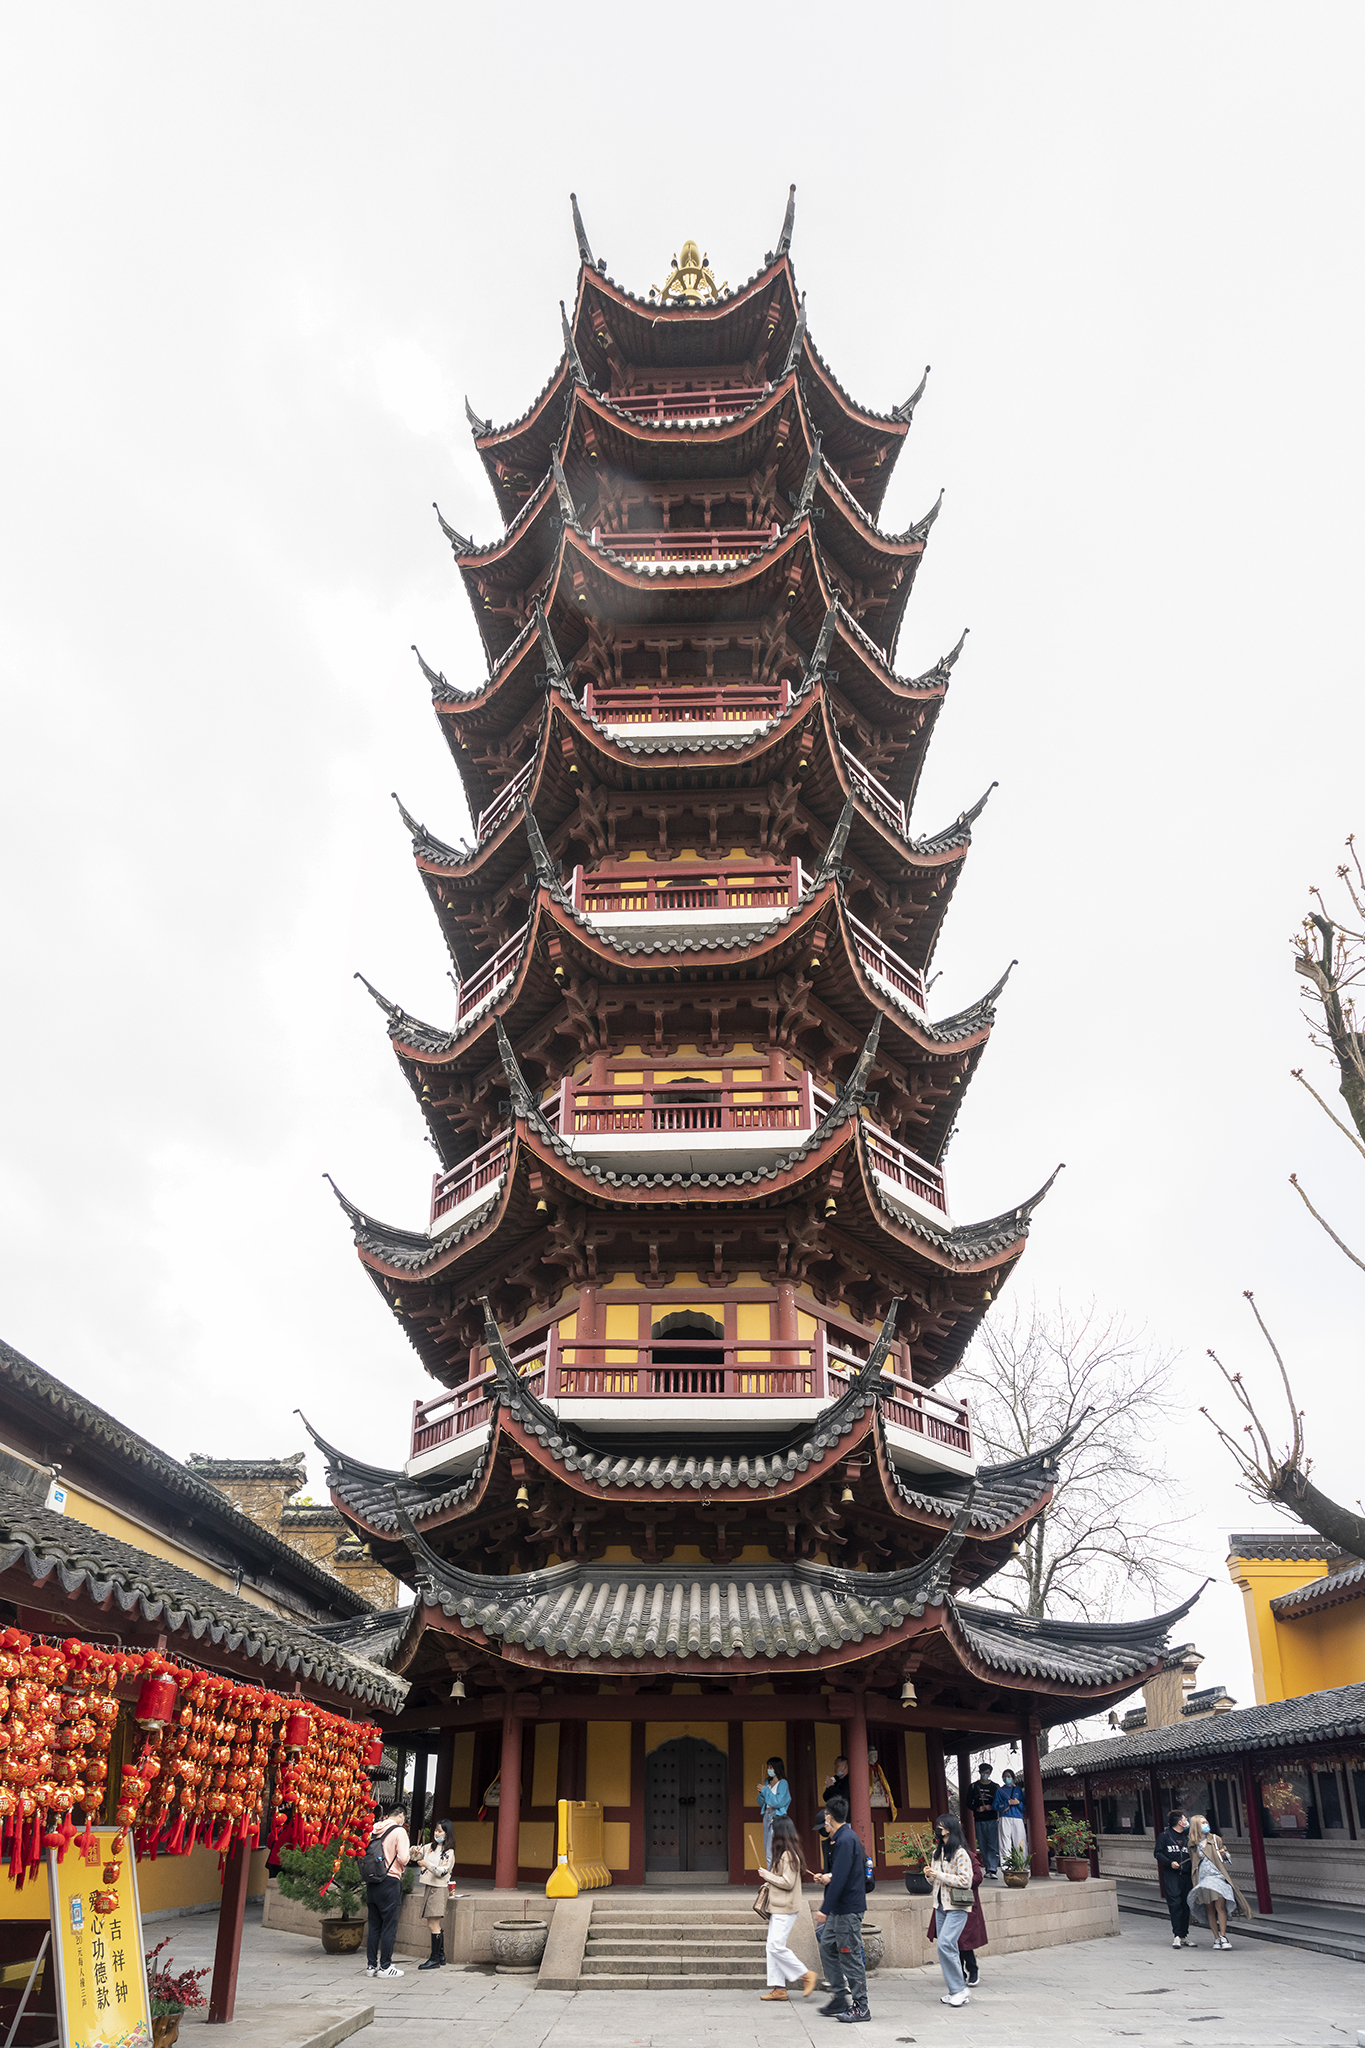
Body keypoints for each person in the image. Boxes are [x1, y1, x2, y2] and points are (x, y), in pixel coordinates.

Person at [807, 1793, 869, 2024]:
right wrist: (827, 1878)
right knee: (826, 1945)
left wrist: (825, 1908)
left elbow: (841, 1879)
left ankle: (861, 2006)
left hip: (847, 1909)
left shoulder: (845, 1840)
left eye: (825, 1816)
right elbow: (841, 1875)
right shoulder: (842, 1838)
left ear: (829, 1817)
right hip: (839, 1909)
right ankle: (840, 1995)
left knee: (849, 1954)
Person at [758, 1813, 817, 2002]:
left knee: (775, 1946)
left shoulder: (788, 1855)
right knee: (772, 1947)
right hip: (780, 1906)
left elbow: (788, 1882)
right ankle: (779, 1988)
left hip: (786, 1906)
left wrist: (767, 1876)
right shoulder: (786, 1853)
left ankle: (805, 1974)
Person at [926, 1813, 976, 2008]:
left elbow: (966, 1880)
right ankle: (955, 1989)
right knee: (948, 1947)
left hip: (956, 1905)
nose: (938, 1829)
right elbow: (935, 1881)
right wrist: (930, 1875)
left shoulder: (960, 1853)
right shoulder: (936, 1852)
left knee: (945, 1944)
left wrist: (939, 1874)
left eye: (941, 1826)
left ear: (950, 1829)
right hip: (940, 1905)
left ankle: (959, 1989)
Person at [1188, 1813, 1252, 1950]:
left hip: (1217, 1876)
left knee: (1220, 1905)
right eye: (1202, 1823)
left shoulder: (1215, 1839)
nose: (1206, 1825)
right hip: (1203, 1879)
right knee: (1209, 1909)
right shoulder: (1192, 1844)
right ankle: (1216, 1937)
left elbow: (1226, 1855)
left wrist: (1224, 1854)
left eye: (1206, 1822)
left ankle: (1223, 1936)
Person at [364, 1803, 410, 1978]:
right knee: (389, 1925)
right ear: (400, 1815)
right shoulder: (399, 1832)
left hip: (372, 1880)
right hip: (389, 1880)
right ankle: (385, 1966)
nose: (403, 1820)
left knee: (374, 1925)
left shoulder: (374, 1829)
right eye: (404, 1817)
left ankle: (371, 1966)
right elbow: (404, 1858)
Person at [415, 1818, 459, 1969]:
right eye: (436, 1830)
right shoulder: (429, 1847)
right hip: (429, 1886)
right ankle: (440, 1956)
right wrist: (413, 1850)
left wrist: (426, 1864)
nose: (436, 1833)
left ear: (447, 1834)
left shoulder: (448, 1852)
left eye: (440, 1831)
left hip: (439, 1888)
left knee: (433, 1923)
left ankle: (434, 1958)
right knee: (433, 1923)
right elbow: (415, 1856)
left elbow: (442, 1872)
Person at [1153, 1809, 1193, 1947]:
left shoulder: (1188, 1838)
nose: (1186, 1821)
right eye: (1184, 1819)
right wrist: (1170, 1863)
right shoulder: (1165, 1836)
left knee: (1185, 1904)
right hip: (1171, 1875)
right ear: (1179, 1822)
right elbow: (1157, 1853)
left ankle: (1184, 1935)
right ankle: (1176, 1935)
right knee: (1175, 1904)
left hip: (1186, 1875)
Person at [966, 1763, 1001, 1878]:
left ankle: (993, 1868)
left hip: (992, 1818)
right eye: (983, 1773)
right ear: (979, 1773)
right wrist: (977, 1808)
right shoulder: (973, 1787)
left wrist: (992, 1807)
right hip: (979, 1819)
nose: (985, 1775)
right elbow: (967, 1803)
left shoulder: (995, 1787)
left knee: (993, 1844)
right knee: (983, 1844)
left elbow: (999, 1802)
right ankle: (987, 1868)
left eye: (987, 1773)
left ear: (990, 1773)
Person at [758, 1755, 791, 1868]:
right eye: (768, 1767)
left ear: (777, 1768)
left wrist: (766, 1790)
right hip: (767, 1814)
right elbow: (761, 1802)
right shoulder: (768, 1781)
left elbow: (778, 1802)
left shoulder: (783, 1783)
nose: (769, 1769)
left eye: (771, 1767)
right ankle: (770, 1875)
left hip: (777, 1816)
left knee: (774, 1848)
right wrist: (762, 1792)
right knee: (767, 1848)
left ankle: (774, 1876)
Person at [819, 1758, 851, 1870]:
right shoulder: (837, 1781)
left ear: (845, 1767)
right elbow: (826, 1797)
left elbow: (843, 1797)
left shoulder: (849, 1780)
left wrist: (831, 1787)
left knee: (844, 1847)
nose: (835, 1768)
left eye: (837, 1766)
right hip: (834, 1820)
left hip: (846, 1819)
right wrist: (830, 1786)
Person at [994, 1768, 1026, 1866]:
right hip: (1004, 1817)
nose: (1006, 1778)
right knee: (1004, 1842)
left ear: (1013, 1778)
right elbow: (995, 1805)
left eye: (1008, 1776)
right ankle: (1006, 1866)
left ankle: (1023, 1865)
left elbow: (1024, 1806)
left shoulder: (1018, 1790)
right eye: (1004, 1776)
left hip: (1017, 1817)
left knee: (1020, 1842)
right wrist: (1007, 1803)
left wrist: (1018, 1803)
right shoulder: (1000, 1790)